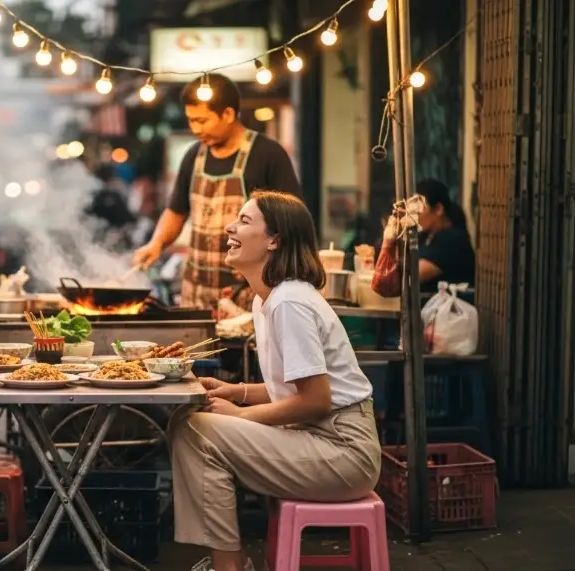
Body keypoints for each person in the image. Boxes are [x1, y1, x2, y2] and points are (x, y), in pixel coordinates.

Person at [168, 191, 381, 571]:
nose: (231, 228)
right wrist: (240, 392)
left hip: (344, 452)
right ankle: (227, 560)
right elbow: (297, 387)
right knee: (188, 424)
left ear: (274, 240)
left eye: (245, 221)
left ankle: (228, 565)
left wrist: (238, 416)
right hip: (315, 438)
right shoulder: (266, 300)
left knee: (195, 431)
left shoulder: (290, 302)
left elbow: (316, 400)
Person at [133, 73, 303, 309]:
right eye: (191, 120)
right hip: (196, 290)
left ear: (228, 114)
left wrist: (272, 264)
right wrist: (156, 244)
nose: (195, 128)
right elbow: (176, 211)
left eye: (202, 121)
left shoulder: (267, 154)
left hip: (247, 291)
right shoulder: (194, 156)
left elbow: (292, 221)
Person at [415, 178, 475, 293]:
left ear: (438, 209)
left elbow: (411, 276)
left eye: (418, 209)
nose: (414, 215)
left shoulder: (452, 240)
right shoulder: (427, 236)